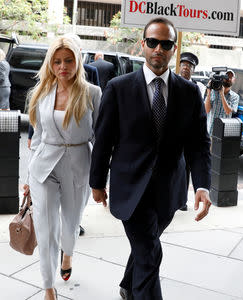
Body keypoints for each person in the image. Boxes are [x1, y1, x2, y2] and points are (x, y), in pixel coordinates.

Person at [89, 17, 211, 300]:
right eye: (153, 42)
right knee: (149, 254)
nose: (159, 48)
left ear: (173, 48)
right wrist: (97, 182)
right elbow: (103, 139)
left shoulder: (190, 92)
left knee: (146, 245)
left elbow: (198, 144)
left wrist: (202, 186)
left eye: (166, 44)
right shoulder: (118, 88)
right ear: (143, 45)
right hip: (130, 189)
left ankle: (128, 285)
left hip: (169, 192)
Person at [24, 36, 101, 300]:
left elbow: (99, 138)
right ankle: (48, 286)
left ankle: (67, 255)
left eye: (68, 60)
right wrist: (27, 176)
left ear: (77, 61)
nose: (62, 66)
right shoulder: (40, 93)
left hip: (79, 164)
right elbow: (38, 136)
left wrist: (101, 179)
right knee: (46, 230)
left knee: (70, 225)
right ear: (50, 63)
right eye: (56, 61)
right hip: (44, 167)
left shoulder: (92, 93)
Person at [178, 51, 206, 211]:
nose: (185, 68)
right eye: (183, 65)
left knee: (186, 170)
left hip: (188, 136)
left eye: (189, 66)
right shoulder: (171, 83)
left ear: (193, 70)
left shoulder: (197, 88)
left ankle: (182, 201)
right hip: (173, 136)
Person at [204, 69, 239, 135]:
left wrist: (222, 94)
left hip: (223, 133)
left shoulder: (235, 96)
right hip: (210, 130)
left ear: (234, 80)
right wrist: (208, 92)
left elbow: (228, 111)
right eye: (226, 77)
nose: (229, 79)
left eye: (231, 77)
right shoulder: (213, 92)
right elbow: (206, 110)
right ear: (222, 78)